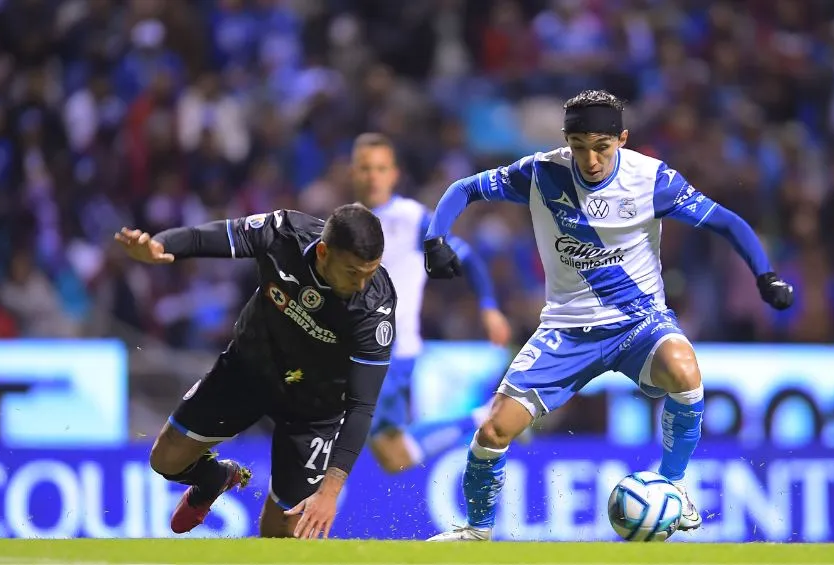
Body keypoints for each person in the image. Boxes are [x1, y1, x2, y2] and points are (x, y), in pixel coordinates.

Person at [421, 90, 795, 541]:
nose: (591, 159)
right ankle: (476, 533)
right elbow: (465, 188)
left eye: (601, 146)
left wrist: (765, 275)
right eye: (579, 146)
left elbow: (727, 222)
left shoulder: (653, 180)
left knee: (685, 370)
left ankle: (673, 486)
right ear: (566, 141)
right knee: (494, 430)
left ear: (622, 138)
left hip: (639, 323)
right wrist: (436, 239)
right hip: (566, 330)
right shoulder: (542, 173)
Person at [115, 204, 397, 539]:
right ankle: (214, 479)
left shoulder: (374, 309)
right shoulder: (283, 233)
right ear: (323, 252)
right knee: (165, 460)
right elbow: (207, 237)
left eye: (370, 272)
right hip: (248, 370)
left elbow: (362, 406)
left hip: (315, 408)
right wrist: (161, 245)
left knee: (284, 530)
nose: (363, 284)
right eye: (353, 272)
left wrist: (329, 494)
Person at [349, 132, 514, 474]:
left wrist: (488, 307)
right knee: (395, 457)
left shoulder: (412, 218)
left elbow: (468, 259)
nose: (373, 176)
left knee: (336, 424)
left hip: (390, 350)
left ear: (394, 174)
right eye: (365, 168)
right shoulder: (342, 223)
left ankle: (302, 510)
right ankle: (483, 417)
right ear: (353, 172)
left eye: (381, 168)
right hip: (354, 350)